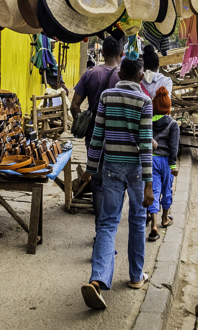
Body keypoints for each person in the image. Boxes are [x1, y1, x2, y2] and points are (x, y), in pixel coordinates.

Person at [80, 56, 154, 310]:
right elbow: (145, 144)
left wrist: (90, 169)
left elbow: (97, 135)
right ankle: (135, 276)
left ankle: (97, 280)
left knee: (108, 223)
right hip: (136, 171)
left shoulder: (106, 97)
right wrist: (149, 183)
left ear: (120, 74)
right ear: (141, 77)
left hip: (111, 168)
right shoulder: (144, 101)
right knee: (137, 220)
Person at [71, 36, 123, 218]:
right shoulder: (124, 76)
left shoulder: (90, 73)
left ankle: (100, 218)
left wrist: (82, 123)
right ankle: (112, 216)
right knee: (116, 179)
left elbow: (74, 105)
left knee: (97, 178)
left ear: (103, 52)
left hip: (93, 134)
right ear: (121, 53)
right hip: (118, 137)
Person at [147, 87, 179, 241]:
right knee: (167, 190)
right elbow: (174, 147)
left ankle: (153, 224)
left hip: (151, 160)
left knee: (153, 190)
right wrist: (173, 165)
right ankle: (165, 219)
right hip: (166, 162)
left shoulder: (148, 121)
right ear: (168, 108)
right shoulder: (173, 124)